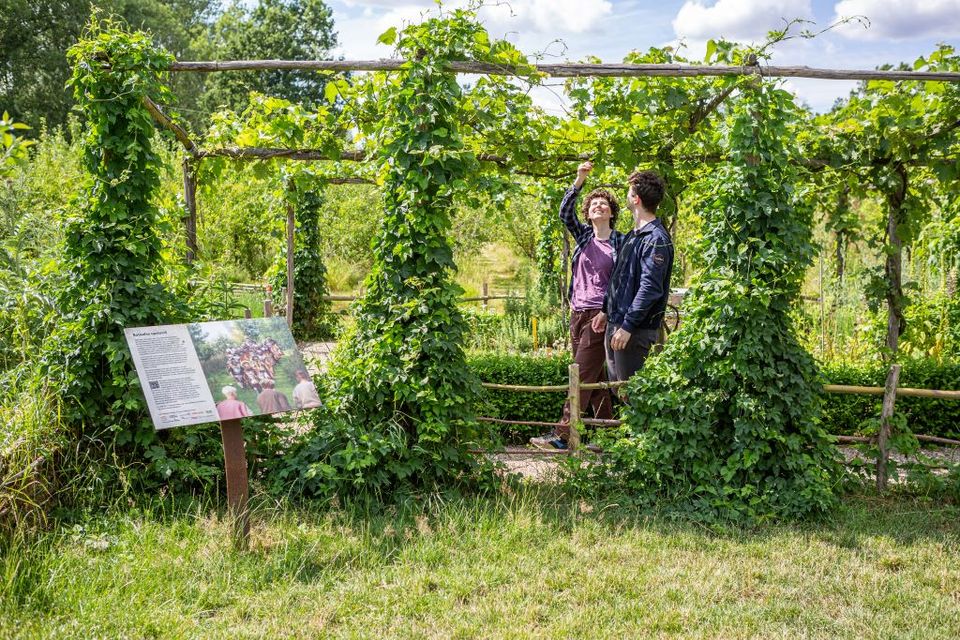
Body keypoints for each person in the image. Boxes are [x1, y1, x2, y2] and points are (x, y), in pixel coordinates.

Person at [530, 160, 626, 451]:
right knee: (594, 376)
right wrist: (579, 180)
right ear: (588, 212)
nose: (599, 206)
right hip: (577, 313)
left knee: (581, 373)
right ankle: (606, 436)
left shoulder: (622, 243)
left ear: (611, 212)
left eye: (604, 203)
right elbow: (564, 213)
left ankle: (562, 435)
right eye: (593, 203)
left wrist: (607, 313)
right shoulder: (583, 236)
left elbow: (623, 283)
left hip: (601, 316)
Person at [595, 170, 674, 383]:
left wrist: (628, 326)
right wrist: (605, 310)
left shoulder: (656, 240)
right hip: (616, 323)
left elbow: (650, 288)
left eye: (629, 192)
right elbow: (618, 279)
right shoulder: (633, 236)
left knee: (631, 394)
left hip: (634, 331)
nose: (627, 196)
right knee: (617, 389)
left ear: (636, 199)